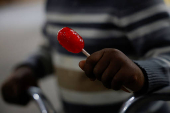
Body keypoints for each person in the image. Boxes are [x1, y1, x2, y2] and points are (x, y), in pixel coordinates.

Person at [1, 0, 170, 113]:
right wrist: (29, 68)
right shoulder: (55, 3)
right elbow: (50, 47)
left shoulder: (138, 4)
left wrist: (140, 73)